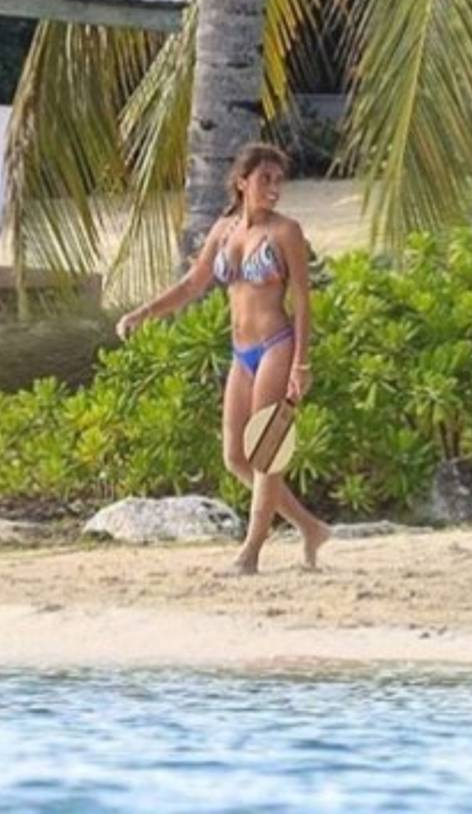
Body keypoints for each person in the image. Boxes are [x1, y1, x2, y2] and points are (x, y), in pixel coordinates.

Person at [116, 142, 331, 573]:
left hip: (276, 346)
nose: (274, 188)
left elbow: (303, 301)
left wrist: (301, 363)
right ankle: (310, 527)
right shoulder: (223, 230)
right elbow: (192, 284)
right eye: (265, 179)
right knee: (235, 457)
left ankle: (251, 551)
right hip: (240, 353)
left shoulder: (286, 232)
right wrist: (142, 313)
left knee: (266, 451)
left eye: (279, 180)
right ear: (242, 181)